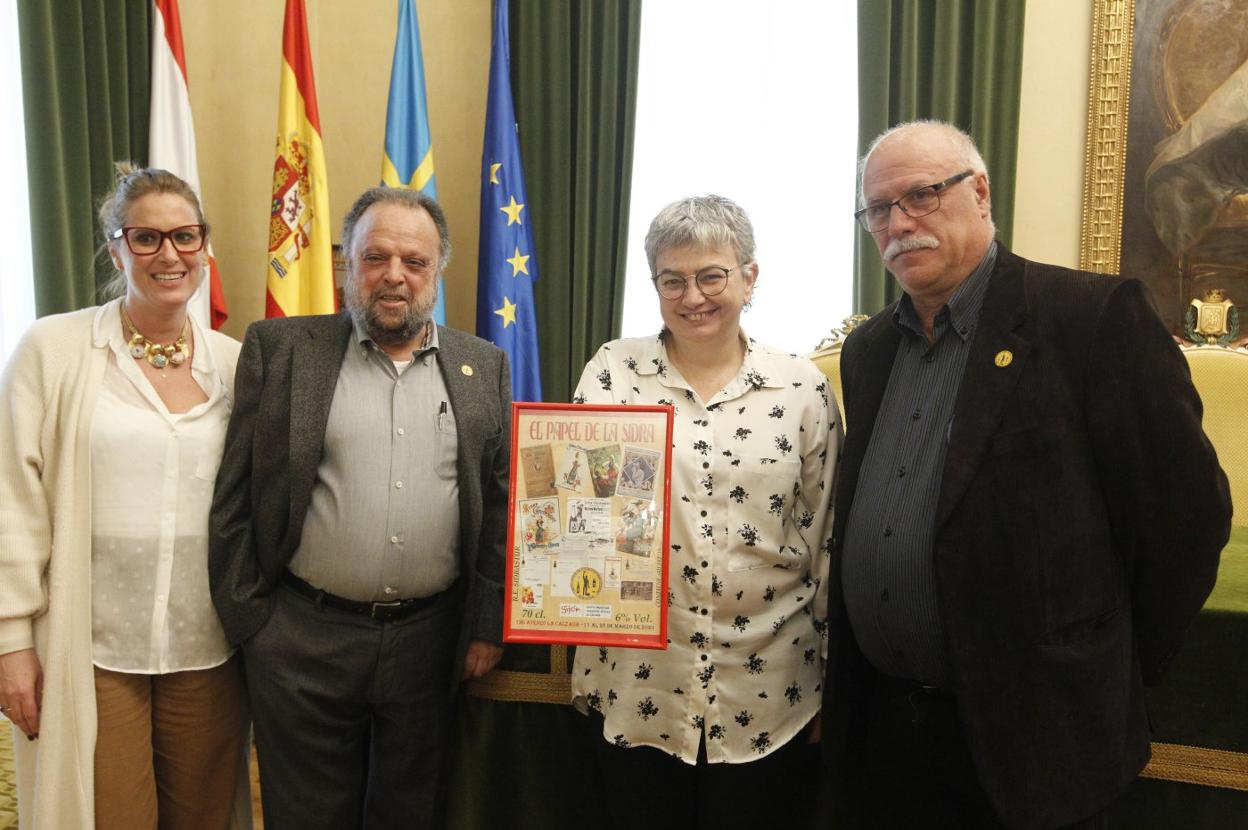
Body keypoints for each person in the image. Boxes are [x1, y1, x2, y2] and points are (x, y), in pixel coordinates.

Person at [822, 120, 1232, 829]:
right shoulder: (867, 353)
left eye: (921, 195)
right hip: (888, 738)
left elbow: (1186, 520)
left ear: (979, 192)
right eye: (879, 210)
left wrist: (1105, 666)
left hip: (1036, 741)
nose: (899, 223)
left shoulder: (1091, 320)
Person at [209, 186, 510, 829]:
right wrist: (252, 625)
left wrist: (486, 623)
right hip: (300, 641)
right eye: (375, 257)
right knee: (306, 816)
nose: (394, 275)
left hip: (431, 642)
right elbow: (233, 495)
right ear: (348, 265)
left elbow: (498, 504)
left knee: (410, 813)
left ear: (437, 271)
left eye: (414, 261)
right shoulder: (280, 349)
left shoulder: (484, 368)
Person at [572, 195, 841, 827]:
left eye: (712, 275)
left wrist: (837, 678)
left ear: (750, 277)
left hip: (771, 689)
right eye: (673, 279)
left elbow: (826, 536)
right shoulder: (614, 373)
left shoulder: (801, 387)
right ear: (655, 285)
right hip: (641, 684)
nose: (693, 295)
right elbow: (573, 518)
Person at [0, 164, 248, 829]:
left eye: (186, 237)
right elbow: (12, 502)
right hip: (92, 649)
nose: (169, 254)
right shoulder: (51, 352)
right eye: (146, 238)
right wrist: (10, 641)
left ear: (204, 247)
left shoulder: (235, 364)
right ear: (116, 248)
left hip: (208, 649)